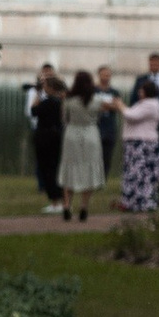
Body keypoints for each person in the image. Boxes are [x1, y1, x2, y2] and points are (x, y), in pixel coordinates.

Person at [59, 69, 105, 220]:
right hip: (91, 134)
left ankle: (67, 205)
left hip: (72, 134)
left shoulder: (69, 100)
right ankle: (84, 206)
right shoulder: (96, 100)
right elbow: (100, 116)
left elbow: (64, 118)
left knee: (69, 169)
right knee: (89, 170)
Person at [116, 76, 159, 213]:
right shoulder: (144, 103)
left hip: (142, 144)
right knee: (133, 173)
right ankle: (131, 200)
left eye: (141, 90)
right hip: (136, 142)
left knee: (141, 174)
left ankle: (142, 201)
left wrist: (120, 105)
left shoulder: (151, 104)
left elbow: (131, 115)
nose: (139, 93)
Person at [30, 72, 68, 213]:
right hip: (58, 137)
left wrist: (38, 94)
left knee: (48, 169)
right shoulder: (62, 102)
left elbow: (33, 110)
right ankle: (64, 201)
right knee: (57, 168)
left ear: (51, 88)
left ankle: (55, 201)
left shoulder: (48, 103)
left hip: (45, 138)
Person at [94, 65, 121, 175]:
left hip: (109, 127)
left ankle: (104, 177)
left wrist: (104, 106)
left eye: (108, 75)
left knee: (107, 154)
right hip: (96, 125)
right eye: (104, 74)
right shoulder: (93, 90)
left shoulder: (114, 92)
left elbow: (118, 106)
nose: (106, 77)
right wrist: (109, 105)